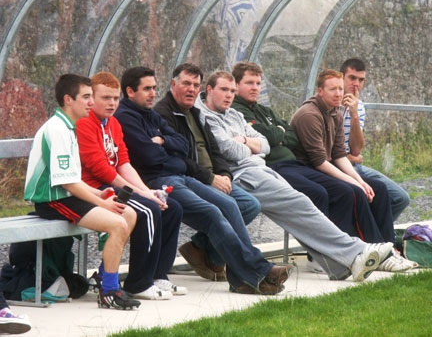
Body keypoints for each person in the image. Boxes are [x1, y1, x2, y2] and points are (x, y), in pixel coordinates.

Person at [196, 70, 393, 282]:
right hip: (244, 176)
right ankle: (356, 251)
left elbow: (265, 144)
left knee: (303, 207)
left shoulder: (233, 114)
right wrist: (250, 143)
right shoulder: (205, 117)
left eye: (232, 90)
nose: (229, 95)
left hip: (262, 168)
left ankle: (338, 264)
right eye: (224, 89)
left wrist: (244, 141)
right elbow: (231, 151)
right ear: (209, 89)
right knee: (302, 202)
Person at [114, 66, 290, 295]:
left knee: (229, 205)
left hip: (181, 175)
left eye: (153, 88)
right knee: (212, 212)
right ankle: (258, 271)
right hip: (158, 181)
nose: (152, 93)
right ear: (130, 91)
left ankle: (241, 279)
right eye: (147, 89)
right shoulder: (133, 116)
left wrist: (163, 142)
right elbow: (149, 155)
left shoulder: (158, 114)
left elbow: (183, 145)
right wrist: (169, 149)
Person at [24, 74, 140, 310]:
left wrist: (98, 195)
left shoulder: (68, 126)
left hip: (67, 194)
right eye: (86, 97)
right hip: (51, 200)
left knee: (129, 214)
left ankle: (104, 277)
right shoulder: (57, 129)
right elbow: (66, 184)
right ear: (69, 99)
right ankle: (109, 292)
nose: (91, 102)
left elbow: (73, 179)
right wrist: (103, 204)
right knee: (117, 222)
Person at [290, 69, 417, 272]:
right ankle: (369, 251)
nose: (338, 93)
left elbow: (340, 155)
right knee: (353, 192)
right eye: (333, 89)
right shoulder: (309, 115)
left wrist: (361, 180)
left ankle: (387, 249)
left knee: (378, 189)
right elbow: (319, 161)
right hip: (307, 169)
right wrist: (356, 184)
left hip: (326, 167)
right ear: (320, 91)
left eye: (340, 89)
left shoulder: (336, 113)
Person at [76, 72, 184, 300]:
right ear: (91, 98)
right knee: (149, 209)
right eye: (105, 98)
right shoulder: (85, 124)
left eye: (115, 98)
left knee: (172, 207)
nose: (112, 103)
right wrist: (144, 195)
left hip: (113, 186)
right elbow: (100, 169)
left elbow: (123, 163)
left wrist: (148, 191)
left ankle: (157, 275)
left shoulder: (113, 123)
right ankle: (138, 282)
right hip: (95, 190)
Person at [153, 63, 261, 281]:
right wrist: (210, 178)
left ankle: (203, 251)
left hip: (213, 177)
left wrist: (224, 175)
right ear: (173, 84)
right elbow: (179, 158)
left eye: (195, 84)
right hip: (192, 178)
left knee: (250, 205)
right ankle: (251, 270)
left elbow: (214, 149)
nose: (192, 89)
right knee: (224, 208)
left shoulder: (195, 112)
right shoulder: (163, 113)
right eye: (186, 83)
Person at [339, 58, 410, 221]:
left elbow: (356, 149)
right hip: (338, 166)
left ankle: (370, 235)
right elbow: (323, 151)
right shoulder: (330, 103)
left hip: (353, 165)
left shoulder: (359, 106)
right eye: (352, 78)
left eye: (361, 80)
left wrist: (354, 114)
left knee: (400, 198)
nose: (356, 84)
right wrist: (350, 157)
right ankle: (365, 234)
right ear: (341, 77)